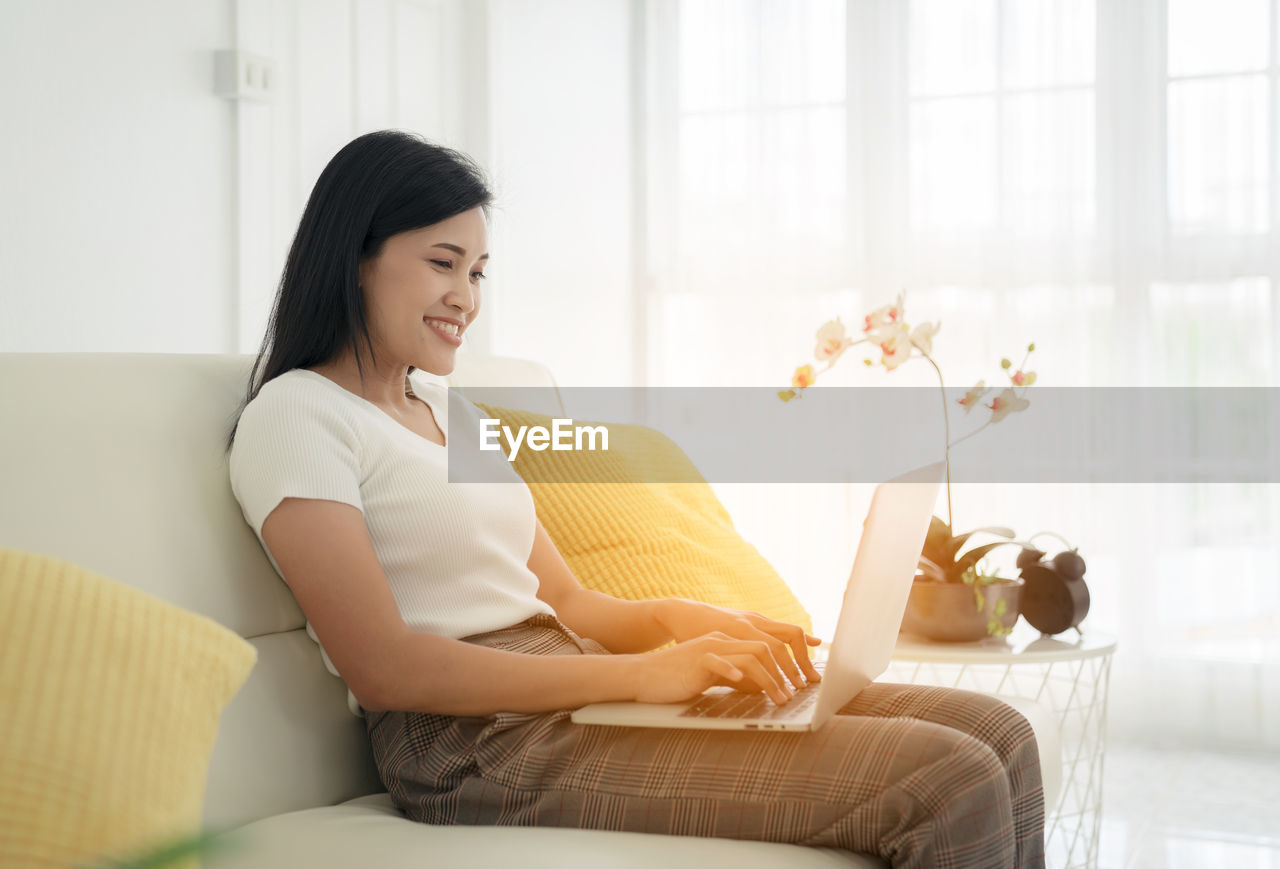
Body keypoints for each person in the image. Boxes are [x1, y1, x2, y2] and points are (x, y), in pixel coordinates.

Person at [227, 129, 1045, 868]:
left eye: (477, 273)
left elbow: (569, 597)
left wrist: (687, 623)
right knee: (949, 778)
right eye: (443, 263)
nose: (467, 298)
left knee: (1002, 734)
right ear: (354, 256)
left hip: (570, 687)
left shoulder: (448, 409)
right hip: (470, 746)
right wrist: (641, 677)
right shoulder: (297, 416)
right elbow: (385, 668)